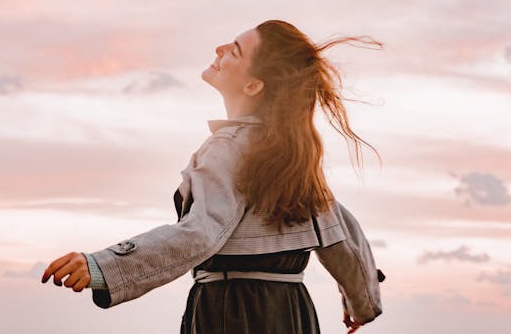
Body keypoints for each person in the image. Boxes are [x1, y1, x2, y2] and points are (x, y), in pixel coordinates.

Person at [41, 20, 386, 333]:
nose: (219, 50)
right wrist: (362, 304)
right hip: (293, 312)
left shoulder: (226, 150)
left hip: (231, 312)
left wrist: (103, 266)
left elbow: (198, 235)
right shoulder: (295, 157)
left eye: (234, 50)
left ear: (253, 86)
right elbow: (341, 236)